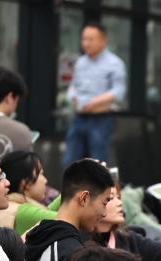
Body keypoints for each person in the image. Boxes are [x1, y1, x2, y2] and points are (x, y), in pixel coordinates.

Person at [63, 22, 126, 166]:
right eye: (84, 39)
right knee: (70, 160)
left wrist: (95, 102)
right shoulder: (80, 62)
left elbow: (119, 91)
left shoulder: (115, 63)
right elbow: (73, 87)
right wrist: (73, 97)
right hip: (79, 118)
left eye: (91, 39)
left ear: (103, 40)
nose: (86, 43)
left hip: (101, 119)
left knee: (99, 162)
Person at [0, 150, 50, 233]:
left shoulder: (10, 206)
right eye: (41, 174)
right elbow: (66, 218)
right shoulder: (24, 212)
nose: (45, 180)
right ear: (26, 183)